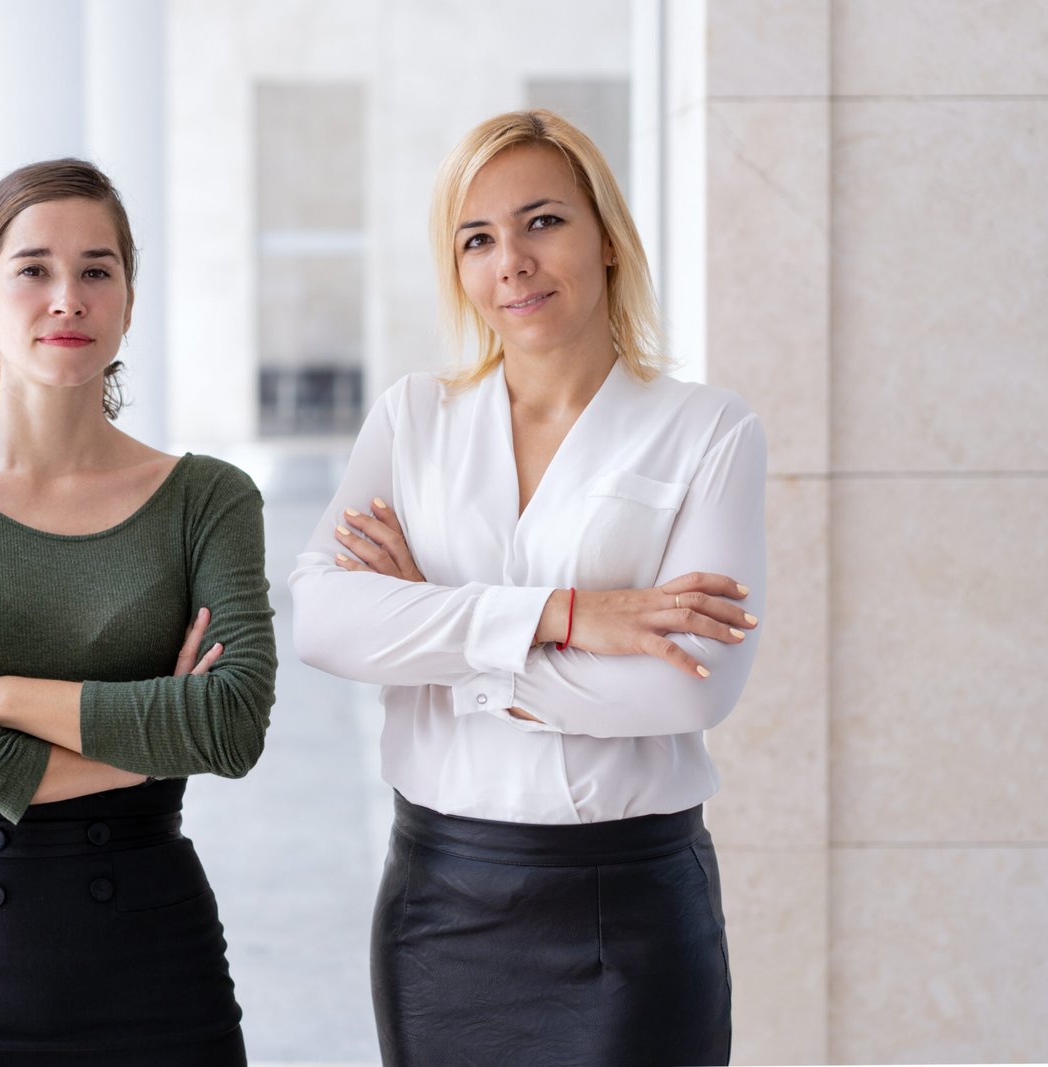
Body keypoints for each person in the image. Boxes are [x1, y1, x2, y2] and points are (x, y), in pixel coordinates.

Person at [289, 110, 765, 1066]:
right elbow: (324, 617)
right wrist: (567, 617)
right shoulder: (415, 419)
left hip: (630, 913)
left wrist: (437, 632)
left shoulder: (707, 430)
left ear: (606, 237)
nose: (512, 260)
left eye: (542, 221)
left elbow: (685, 685)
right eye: (478, 238)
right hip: (441, 906)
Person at [0, 158, 276, 1066]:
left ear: (126, 299)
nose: (67, 297)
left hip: (153, 965)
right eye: (33, 269)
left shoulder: (209, 498)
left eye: (97, 269)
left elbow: (230, 724)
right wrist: (152, 734)